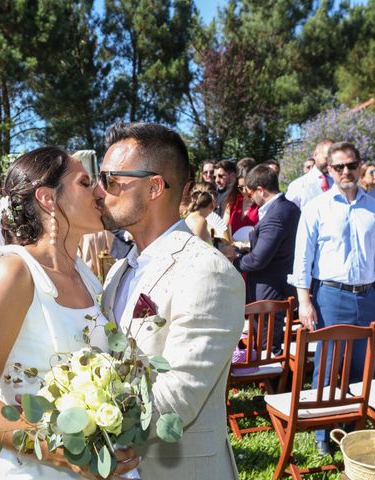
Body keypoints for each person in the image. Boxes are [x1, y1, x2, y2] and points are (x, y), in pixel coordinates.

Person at [0, 147, 139, 479]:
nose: (100, 191)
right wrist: (66, 453)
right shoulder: (13, 273)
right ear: (48, 198)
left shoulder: (88, 276)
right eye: (85, 182)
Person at [96, 122, 244, 479]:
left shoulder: (207, 272)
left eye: (111, 181)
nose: (99, 193)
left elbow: (178, 398)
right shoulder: (118, 271)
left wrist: (77, 424)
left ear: (154, 187)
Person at [288, 142, 375, 455]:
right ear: (330, 170)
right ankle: (323, 435)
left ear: (360, 165)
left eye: (351, 165)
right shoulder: (316, 208)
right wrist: (304, 301)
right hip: (329, 296)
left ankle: (350, 433)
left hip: (368, 299)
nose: (346, 172)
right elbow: (302, 260)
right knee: (326, 366)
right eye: (339, 167)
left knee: (360, 368)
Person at [232, 165, 300, 351]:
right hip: (279, 282)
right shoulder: (290, 207)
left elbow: (258, 260)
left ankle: (270, 379)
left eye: (251, 193)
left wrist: (234, 262)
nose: (250, 198)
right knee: (270, 341)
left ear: (261, 190)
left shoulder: (275, 216)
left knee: (266, 346)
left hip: (269, 288)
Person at [285, 139, 334, 208]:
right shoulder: (298, 185)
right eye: (326, 158)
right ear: (315, 155)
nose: (330, 163)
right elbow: (287, 214)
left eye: (332, 159)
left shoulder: (337, 182)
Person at [227, 167, 259, 234]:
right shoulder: (233, 201)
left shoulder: (260, 204)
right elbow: (225, 227)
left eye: (247, 187)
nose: (244, 191)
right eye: (241, 187)